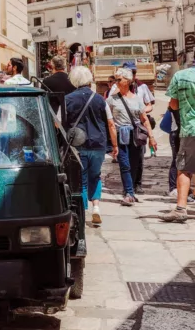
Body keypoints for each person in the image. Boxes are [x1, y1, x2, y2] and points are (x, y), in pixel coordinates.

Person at [65, 66, 118, 227]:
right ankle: (96, 207)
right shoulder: (100, 99)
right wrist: (114, 145)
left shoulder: (67, 99)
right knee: (95, 175)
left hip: (78, 146)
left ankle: (82, 211)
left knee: (80, 179)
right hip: (98, 144)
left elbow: (59, 122)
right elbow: (110, 123)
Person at [107, 68, 157, 205]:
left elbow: (144, 119)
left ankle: (131, 191)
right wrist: (112, 142)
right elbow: (108, 121)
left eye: (119, 79)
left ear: (128, 81)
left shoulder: (137, 100)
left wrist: (151, 138)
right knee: (125, 165)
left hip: (135, 135)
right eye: (115, 79)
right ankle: (128, 192)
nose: (116, 82)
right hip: (120, 134)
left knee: (134, 164)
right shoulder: (111, 100)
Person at [163, 58, 195, 222]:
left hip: (189, 129)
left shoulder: (180, 76)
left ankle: (181, 208)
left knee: (184, 168)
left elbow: (173, 105)